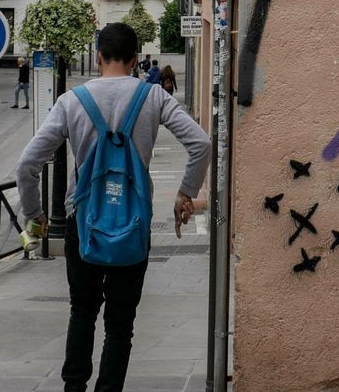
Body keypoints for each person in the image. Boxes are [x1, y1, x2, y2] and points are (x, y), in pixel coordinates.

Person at [15, 23, 211, 392]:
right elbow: (201, 144)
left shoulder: (72, 101)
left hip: (83, 223)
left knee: (82, 312)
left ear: (98, 57)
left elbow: (27, 164)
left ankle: (74, 387)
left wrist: (34, 212)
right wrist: (185, 193)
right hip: (133, 223)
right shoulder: (154, 96)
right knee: (121, 323)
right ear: (135, 59)